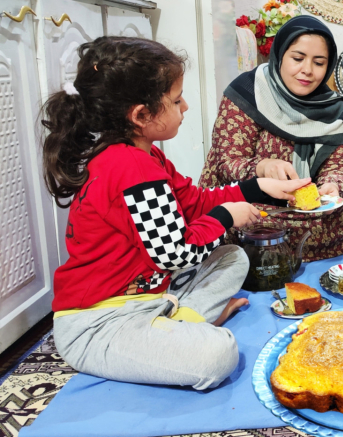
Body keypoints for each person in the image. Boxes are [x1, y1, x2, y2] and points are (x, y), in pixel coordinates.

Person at [43, 37, 307, 389]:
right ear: (141, 115)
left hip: (149, 295)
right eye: (175, 100)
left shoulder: (143, 155)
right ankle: (187, 327)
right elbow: (176, 256)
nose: (184, 107)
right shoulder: (131, 169)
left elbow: (195, 201)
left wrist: (259, 189)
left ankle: (179, 321)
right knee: (219, 356)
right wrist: (227, 215)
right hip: (99, 323)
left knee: (232, 258)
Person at [200, 16, 343, 260]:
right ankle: (312, 244)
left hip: (303, 206)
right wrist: (262, 166)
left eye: (319, 63)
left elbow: (335, 167)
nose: (307, 70)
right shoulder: (247, 91)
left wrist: (331, 186)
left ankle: (274, 249)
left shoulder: (331, 106)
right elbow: (226, 163)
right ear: (280, 55)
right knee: (236, 214)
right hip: (251, 200)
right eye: (297, 58)